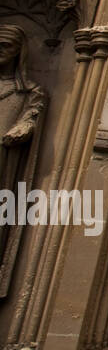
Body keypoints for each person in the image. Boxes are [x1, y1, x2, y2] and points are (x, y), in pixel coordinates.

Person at [0, 25, 46, 299]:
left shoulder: (29, 92)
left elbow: (33, 115)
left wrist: (24, 126)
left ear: (19, 52)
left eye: (5, 47)